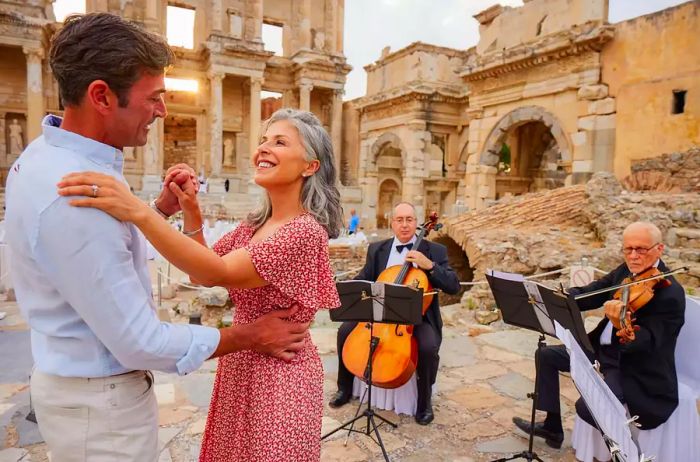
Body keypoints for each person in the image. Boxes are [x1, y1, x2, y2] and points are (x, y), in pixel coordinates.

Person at [5, 13, 308, 462]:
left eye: (280, 142)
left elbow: (123, 253)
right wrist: (248, 336)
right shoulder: (77, 194)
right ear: (102, 96)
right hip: (103, 408)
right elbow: (146, 336)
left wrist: (157, 212)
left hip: (93, 395)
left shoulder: (47, 157)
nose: (163, 111)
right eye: (155, 98)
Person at [57, 108, 344, 461]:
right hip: (242, 362)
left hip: (281, 373)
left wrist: (139, 211)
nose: (264, 149)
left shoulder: (303, 231)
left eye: (280, 142)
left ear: (310, 166)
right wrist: (190, 209)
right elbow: (200, 270)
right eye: (263, 141)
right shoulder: (254, 225)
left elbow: (214, 272)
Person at [512, 221, 685, 448]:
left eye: (641, 249)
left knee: (586, 408)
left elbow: (649, 344)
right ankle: (553, 428)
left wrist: (621, 323)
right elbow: (593, 292)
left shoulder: (670, 293)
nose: (633, 256)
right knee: (546, 355)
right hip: (600, 349)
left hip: (629, 363)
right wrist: (558, 298)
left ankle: (622, 452)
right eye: (628, 249)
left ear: (659, 249)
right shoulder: (627, 270)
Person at [330, 202, 461, 425]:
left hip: (417, 318)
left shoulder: (435, 251)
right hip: (378, 314)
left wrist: (429, 266)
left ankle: (424, 402)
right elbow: (364, 277)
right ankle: (344, 388)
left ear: (416, 222)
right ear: (392, 223)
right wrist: (342, 286)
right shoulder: (377, 249)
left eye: (409, 219)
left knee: (428, 347)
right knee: (344, 331)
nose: (404, 225)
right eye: (399, 220)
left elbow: (453, 286)